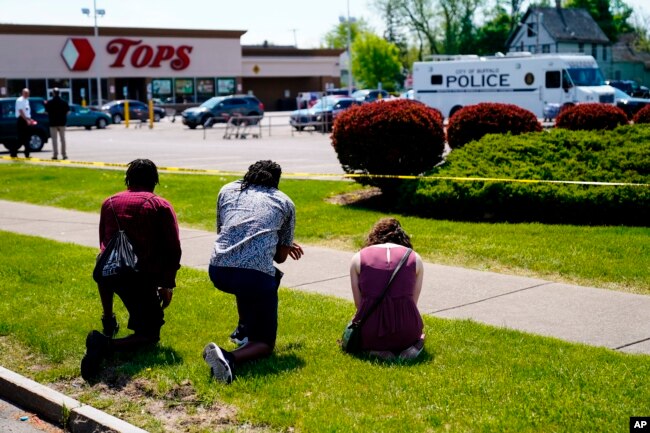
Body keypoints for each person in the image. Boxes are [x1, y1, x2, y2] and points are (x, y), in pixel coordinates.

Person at [81, 159, 182, 381]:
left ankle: (108, 319)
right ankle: (104, 344)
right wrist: (166, 284)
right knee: (149, 335)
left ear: (128, 179)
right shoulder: (160, 205)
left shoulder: (109, 202)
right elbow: (173, 249)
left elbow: (103, 244)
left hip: (108, 273)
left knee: (104, 264)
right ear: (155, 181)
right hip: (140, 277)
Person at [203, 160, 304, 384]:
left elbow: (226, 230)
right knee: (265, 344)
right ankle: (228, 357)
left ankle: (243, 330)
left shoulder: (227, 190)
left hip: (218, 269)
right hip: (253, 277)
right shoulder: (284, 202)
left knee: (249, 272)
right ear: (276, 181)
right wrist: (281, 242)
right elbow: (280, 257)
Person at [349, 218, 425, 360]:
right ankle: (411, 348)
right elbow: (412, 304)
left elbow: (359, 306)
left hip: (371, 332)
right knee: (419, 333)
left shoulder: (358, 258)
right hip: (407, 331)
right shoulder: (415, 258)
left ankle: (376, 351)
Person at [45, 88, 70, 160]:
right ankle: (64, 154)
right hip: (62, 123)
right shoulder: (64, 102)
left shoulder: (49, 102)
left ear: (53, 93)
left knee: (54, 140)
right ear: (59, 93)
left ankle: (55, 155)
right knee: (62, 139)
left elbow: (46, 112)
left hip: (53, 123)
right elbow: (68, 112)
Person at [13, 88, 37, 158]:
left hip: (26, 120)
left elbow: (26, 112)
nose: (27, 94)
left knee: (27, 138)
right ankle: (13, 152)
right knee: (21, 138)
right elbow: (21, 111)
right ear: (22, 93)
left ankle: (27, 153)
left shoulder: (27, 101)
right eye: (26, 93)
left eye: (28, 93)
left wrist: (30, 119)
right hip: (21, 120)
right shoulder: (19, 100)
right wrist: (26, 120)